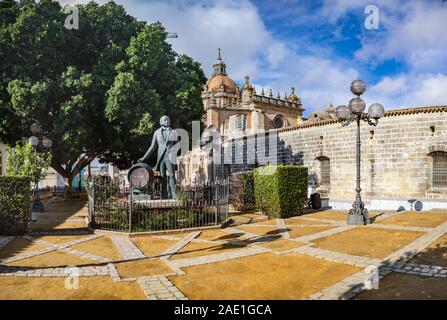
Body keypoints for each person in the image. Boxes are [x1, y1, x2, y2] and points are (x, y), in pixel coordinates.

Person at [138, 115, 179, 199]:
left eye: (168, 120)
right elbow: (152, 147)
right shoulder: (157, 133)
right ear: (161, 122)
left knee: (172, 175)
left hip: (170, 156)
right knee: (162, 176)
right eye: (165, 120)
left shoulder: (173, 132)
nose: (167, 121)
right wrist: (144, 157)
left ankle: (174, 195)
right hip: (160, 157)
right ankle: (164, 195)